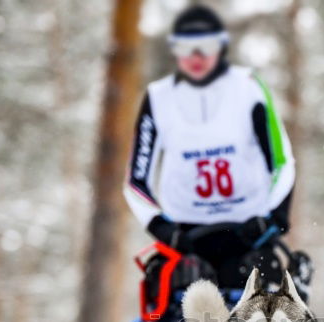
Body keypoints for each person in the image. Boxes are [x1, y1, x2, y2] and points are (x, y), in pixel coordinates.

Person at [124, 5, 296, 288]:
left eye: (206, 46)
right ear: (175, 50)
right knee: (174, 305)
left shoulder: (249, 87)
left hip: (248, 233)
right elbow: (135, 181)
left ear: (221, 47)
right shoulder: (158, 98)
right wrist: (161, 228)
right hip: (187, 239)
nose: (196, 56)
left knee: (269, 308)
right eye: (186, 47)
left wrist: (274, 218)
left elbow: (281, 162)